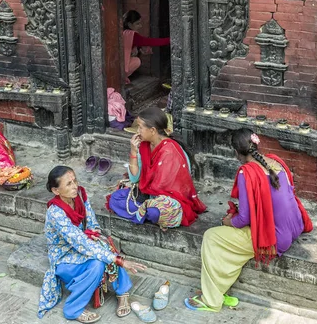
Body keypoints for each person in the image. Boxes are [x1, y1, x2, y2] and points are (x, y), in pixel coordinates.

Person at [185, 128, 313, 313]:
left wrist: (227, 221)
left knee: (212, 237)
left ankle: (211, 300)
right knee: (229, 239)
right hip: (295, 226)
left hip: (275, 239)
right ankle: (218, 290)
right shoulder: (275, 161)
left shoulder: (247, 172)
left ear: (236, 152)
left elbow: (243, 218)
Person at [38, 166, 146, 322]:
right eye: (68, 184)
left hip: (83, 243)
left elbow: (91, 221)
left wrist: (95, 234)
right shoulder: (55, 213)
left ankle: (122, 292)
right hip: (65, 256)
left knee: (105, 244)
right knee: (97, 264)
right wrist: (120, 260)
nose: (74, 186)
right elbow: (79, 241)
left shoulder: (79, 195)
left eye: (75, 180)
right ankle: (73, 309)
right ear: (56, 190)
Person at [108, 106, 206, 229]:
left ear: (152, 130)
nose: (138, 131)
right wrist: (133, 151)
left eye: (140, 127)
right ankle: (144, 214)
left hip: (169, 199)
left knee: (154, 212)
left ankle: (145, 214)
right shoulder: (145, 145)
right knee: (115, 199)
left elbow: (164, 188)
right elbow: (134, 179)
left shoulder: (170, 151)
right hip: (148, 196)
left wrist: (149, 200)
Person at [123, 10, 170, 82]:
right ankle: (122, 77)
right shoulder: (132, 35)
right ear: (129, 24)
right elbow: (151, 42)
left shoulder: (123, 32)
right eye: (137, 24)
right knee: (137, 61)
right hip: (120, 67)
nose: (140, 26)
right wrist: (170, 40)